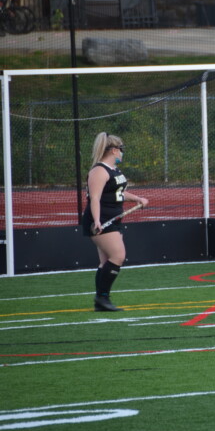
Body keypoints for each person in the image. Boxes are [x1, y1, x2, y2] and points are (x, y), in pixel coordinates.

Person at [82, 132, 149, 312]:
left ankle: (101, 300)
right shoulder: (99, 171)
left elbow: (118, 193)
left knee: (106, 262)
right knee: (118, 256)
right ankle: (102, 298)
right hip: (101, 219)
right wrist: (97, 221)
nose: (122, 153)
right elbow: (94, 198)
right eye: (121, 149)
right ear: (113, 150)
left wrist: (137, 198)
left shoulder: (114, 171)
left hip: (113, 218)